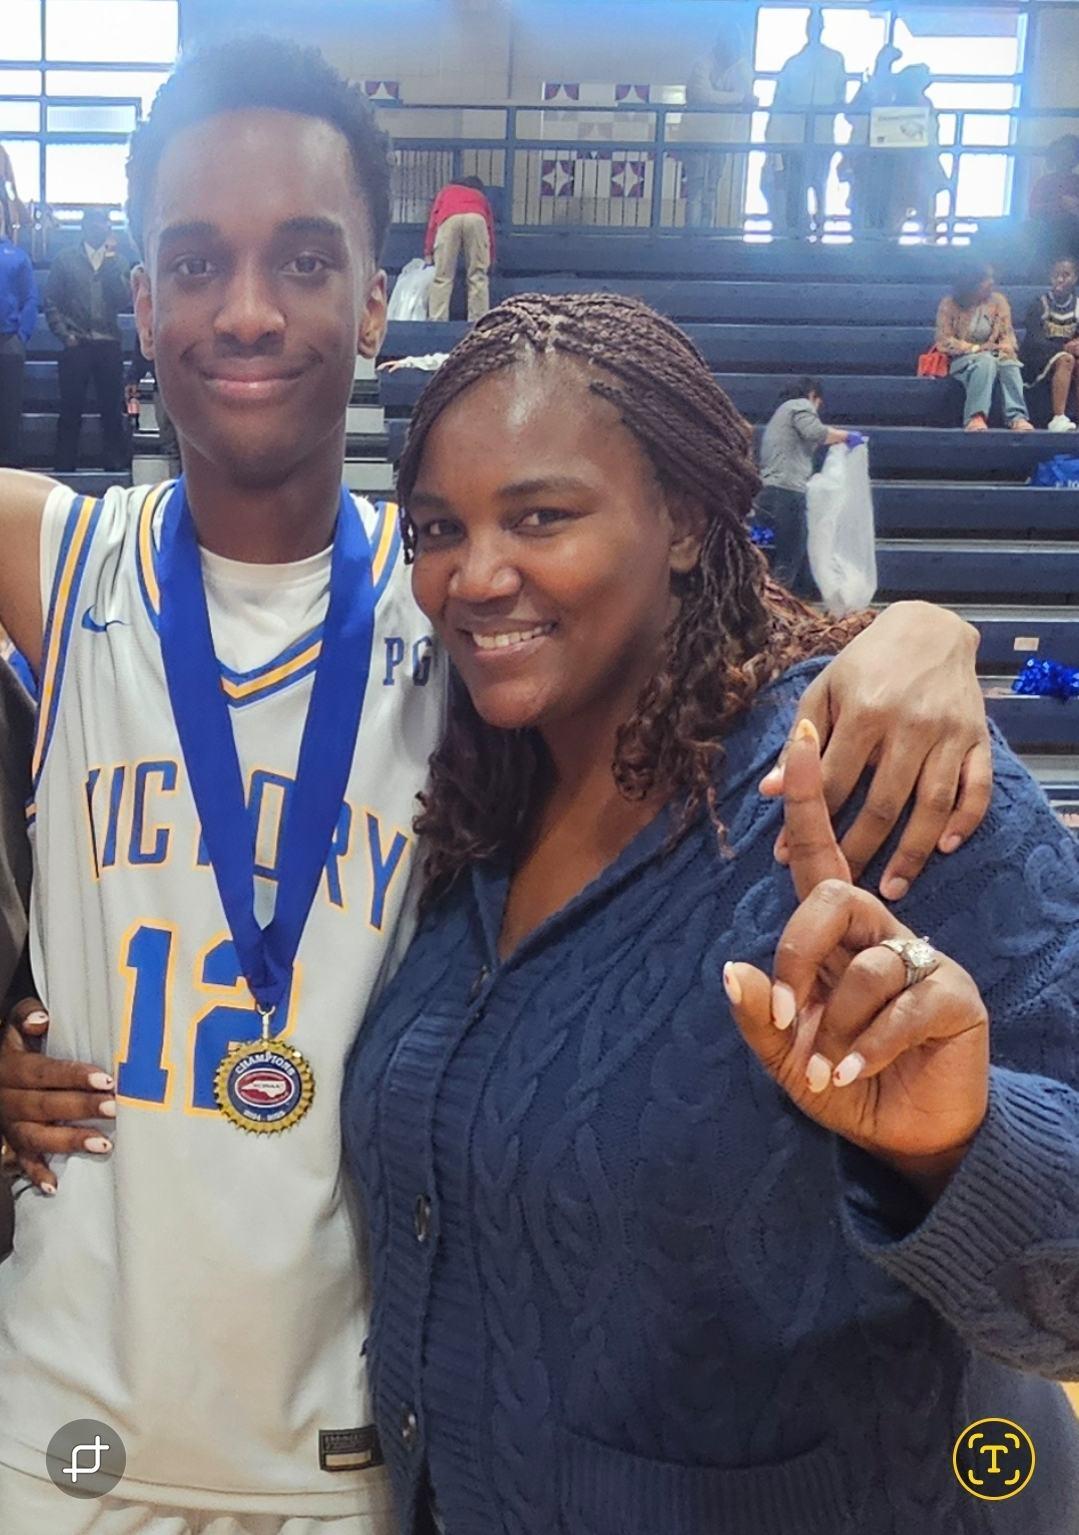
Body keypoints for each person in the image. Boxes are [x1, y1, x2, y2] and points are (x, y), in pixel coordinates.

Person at [0, 35, 1006, 1535]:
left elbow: (707, 636)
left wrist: (921, 631)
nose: (249, 308)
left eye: (303, 259)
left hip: (355, 1437)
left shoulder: (463, 605)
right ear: (141, 302)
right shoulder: (57, 559)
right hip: (60, 1417)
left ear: (377, 296)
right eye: (195, 262)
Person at [341, 291, 1079, 1535]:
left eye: (540, 515)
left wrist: (955, 1143)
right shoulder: (463, 795)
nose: (475, 573)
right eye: (436, 528)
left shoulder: (870, 777)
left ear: (684, 521)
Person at [752, 377, 860, 593]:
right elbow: (816, 432)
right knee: (790, 552)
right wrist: (846, 436)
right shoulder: (800, 406)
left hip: (766, 493)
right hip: (787, 492)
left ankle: (759, 595)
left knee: (765, 550)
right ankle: (778, 600)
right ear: (812, 395)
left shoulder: (780, 415)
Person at [43, 207, 131, 472]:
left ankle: (115, 466)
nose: (101, 228)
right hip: (76, 343)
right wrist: (64, 334)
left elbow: (123, 300)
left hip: (109, 343)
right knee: (70, 408)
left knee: (111, 409)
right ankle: (65, 465)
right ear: (85, 226)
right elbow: (51, 301)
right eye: (96, 222)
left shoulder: (119, 262)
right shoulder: (65, 260)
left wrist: (111, 262)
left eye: (105, 223)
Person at [764, 10, 847, 238]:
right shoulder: (795, 63)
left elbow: (839, 97)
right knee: (800, 185)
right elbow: (782, 99)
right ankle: (800, 230)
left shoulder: (826, 61)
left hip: (820, 134)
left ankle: (817, 227)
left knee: (818, 183)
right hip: (798, 137)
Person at [933, 263, 1033, 432]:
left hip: (994, 352)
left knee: (1009, 363)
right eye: (987, 278)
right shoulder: (949, 304)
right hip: (963, 358)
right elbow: (944, 340)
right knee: (985, 361)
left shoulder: (998, 301)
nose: (992, 282)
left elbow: (1007, 334)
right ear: (972, 282)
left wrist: (1006, 348)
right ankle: (976, 416)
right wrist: (974, 349)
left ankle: (1017, 416)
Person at [683, 23, 755, 230]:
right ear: (721, 45)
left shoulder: (739, 67)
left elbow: (743, 93)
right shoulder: (702, 64)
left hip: (720, 137)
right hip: (697, 137)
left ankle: (704, 233)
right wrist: (738, 98)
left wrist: (736, 95)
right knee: (697, 190)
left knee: (710, 189)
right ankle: (694, 235)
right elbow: (701, 95)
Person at [839, 43, 901, 235]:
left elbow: (850, 113)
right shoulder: (887, 87)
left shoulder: (873, 85)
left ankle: (869, 229)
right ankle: (872, 230)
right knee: (869, 193)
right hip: (875, 148)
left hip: (873, 149)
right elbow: (851, 113)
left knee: (868, 193)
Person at [886, 63, 946, 240]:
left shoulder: (920, 103)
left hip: (916, 163)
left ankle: (921, 236)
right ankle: (922, 237)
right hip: (909, 163)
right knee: (909, 205)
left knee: (916, 205)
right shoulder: (913, 104)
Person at [424, 175, 496, 323]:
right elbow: (490, 229)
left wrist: (428, 251)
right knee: (477, 276)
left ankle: (437, 319)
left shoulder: (446, 191)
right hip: (476, 218)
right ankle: (478, 321)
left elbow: (433, 223)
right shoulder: (480, 196)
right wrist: (491, 256)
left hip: (449, 218)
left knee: (443, 276)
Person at [1020, 254, 1079, 430]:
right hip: (1037, 361)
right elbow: (1034, 341)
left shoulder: (1078, 306)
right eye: (1056, 275)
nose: (1060, 279)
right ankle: (1058, 417)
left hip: (1068, 359)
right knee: (1066, 359)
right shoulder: (1039, 304)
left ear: (1075, 278)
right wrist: (1064, 348)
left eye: (1065, 275)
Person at [0, 206, 37, 468]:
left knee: (9, 409)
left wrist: (21, 335)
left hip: (8, 342)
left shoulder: (17, 256)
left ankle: (10, 468)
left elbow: (31, 298)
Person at [1029, 134, 1079, 263]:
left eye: (1072, 153)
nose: (1067, 158)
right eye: (1063, 153)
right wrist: (1059, 205)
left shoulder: (1077, 182)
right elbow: (1033, 210)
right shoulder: (1045, 182)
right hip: (1050, 236)